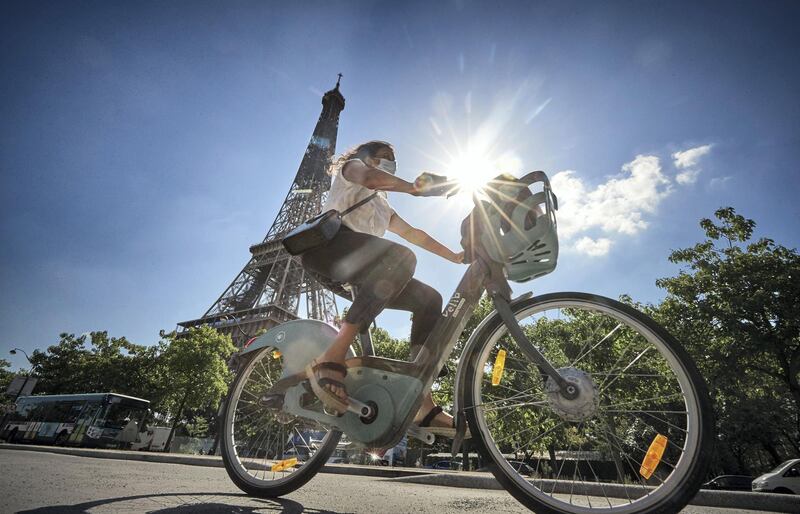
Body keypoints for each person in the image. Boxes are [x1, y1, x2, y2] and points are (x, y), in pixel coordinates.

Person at [301, 140, 464, 437]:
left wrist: (454, 256)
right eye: (384, 158)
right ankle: (332, 356)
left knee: (429, 299)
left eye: (393, 161)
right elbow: (370, 178)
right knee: (399, 257)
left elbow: (414, 234)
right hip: (328, 249)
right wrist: (415, 187)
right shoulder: (350, 169)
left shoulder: (382, 205)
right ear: (366, 157)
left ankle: (422, 402)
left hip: (363, 266)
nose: (389, 163)